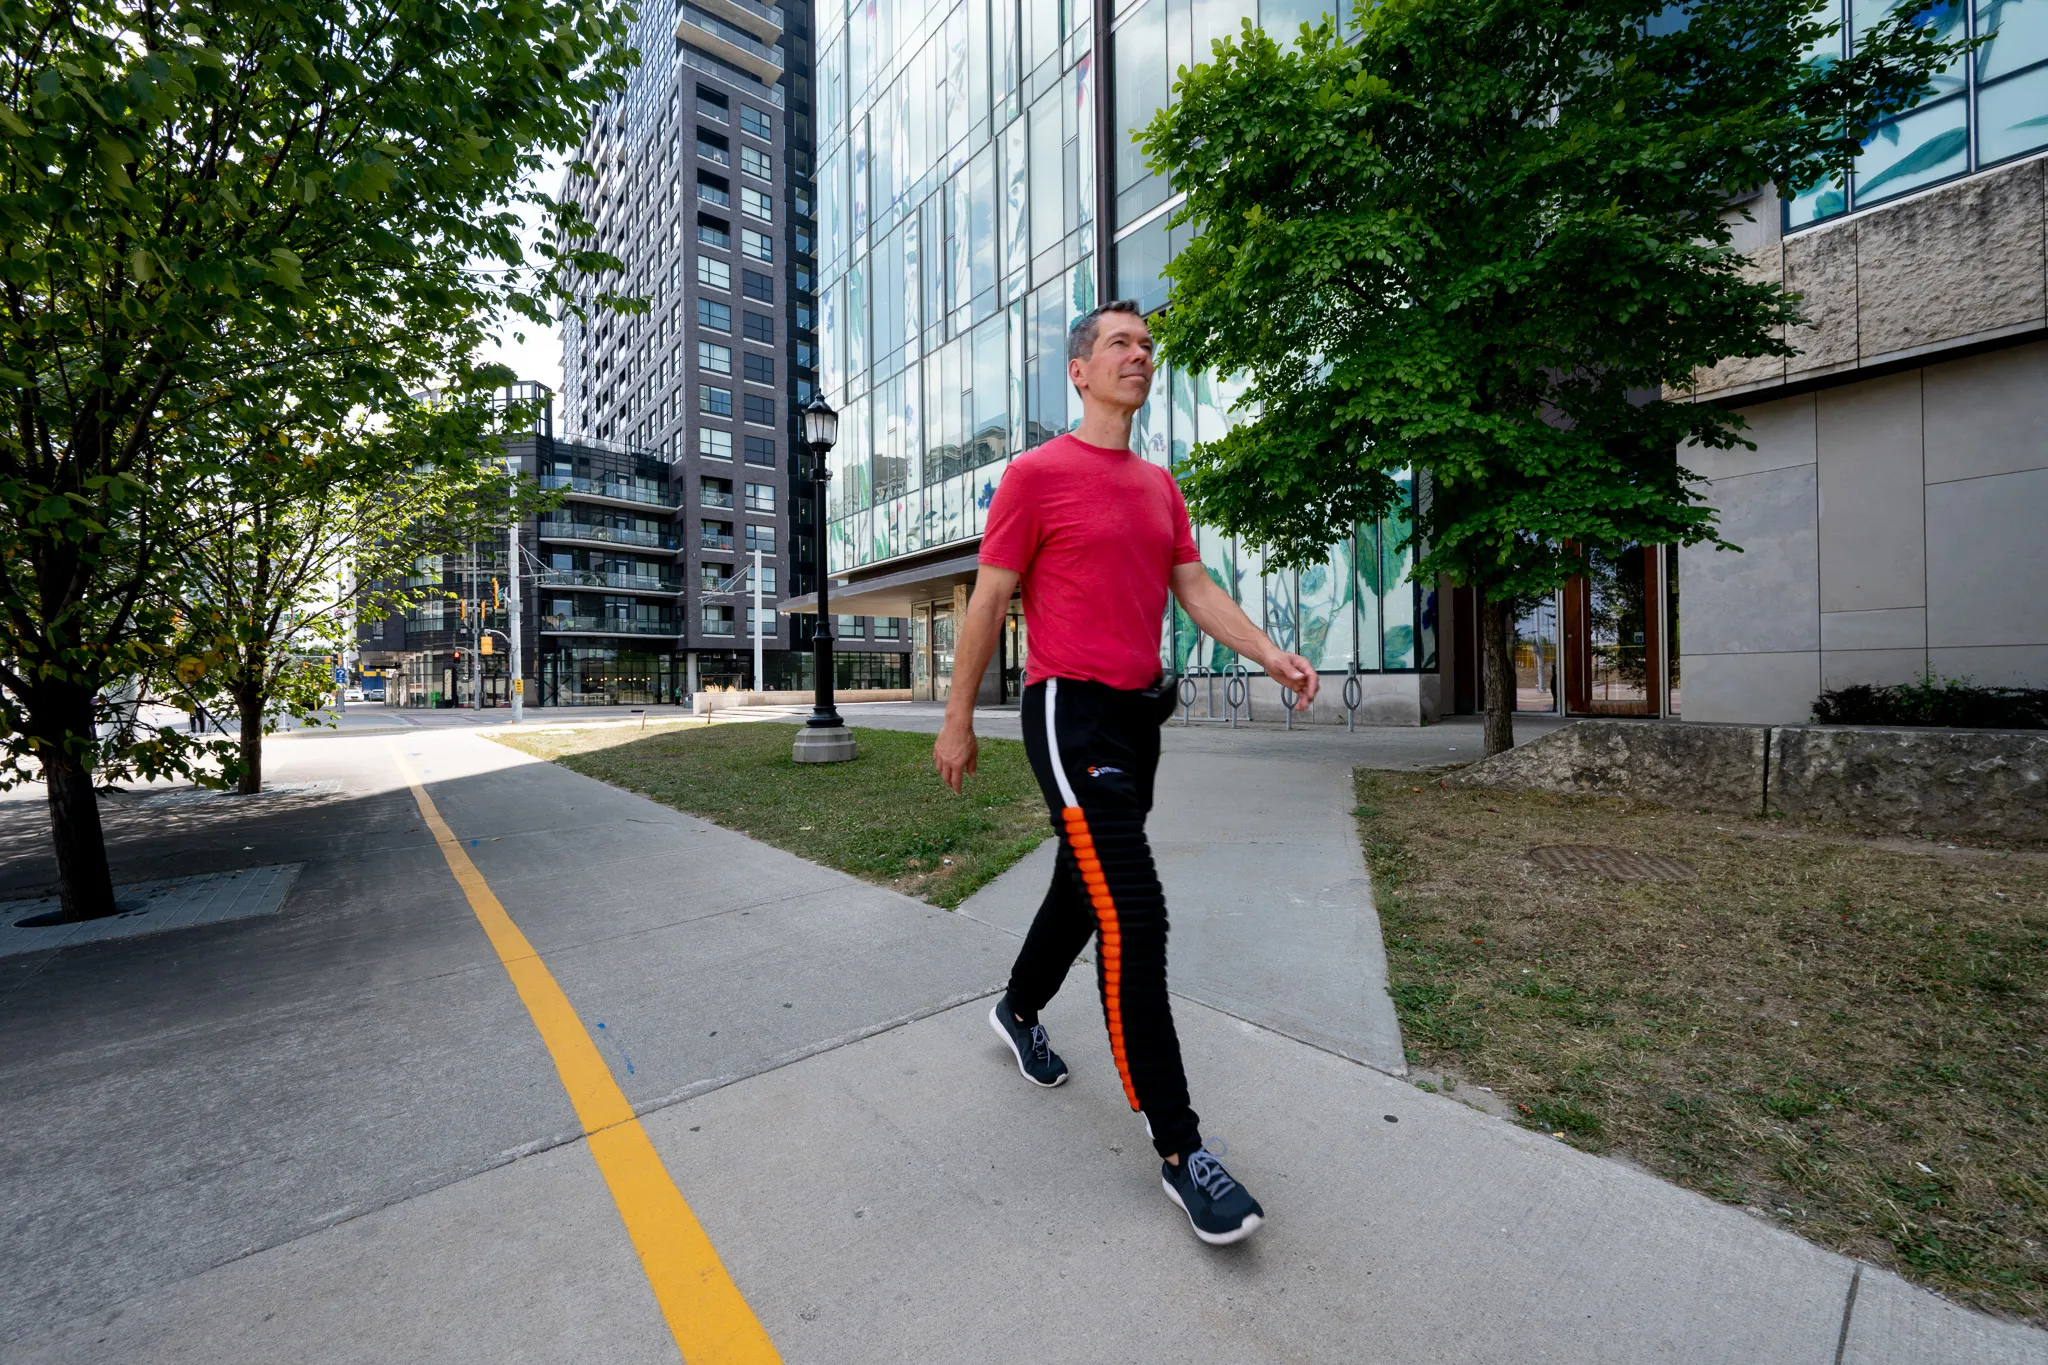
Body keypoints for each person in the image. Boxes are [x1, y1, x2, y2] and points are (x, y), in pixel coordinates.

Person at [933, 300, 1320, 1246]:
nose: (1139, 356)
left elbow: (1191, 587)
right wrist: (957, 721)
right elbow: (987, 602)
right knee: (1133, 911)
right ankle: (1185, 1151)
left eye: (1147, 347)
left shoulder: (1159, 485)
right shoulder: (1034, 475)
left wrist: (1269, 653)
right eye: (1119, 344)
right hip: (1069, 709)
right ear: (1079, 370)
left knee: (1084, 885)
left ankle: (1017, 1005)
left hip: (1139, 718)